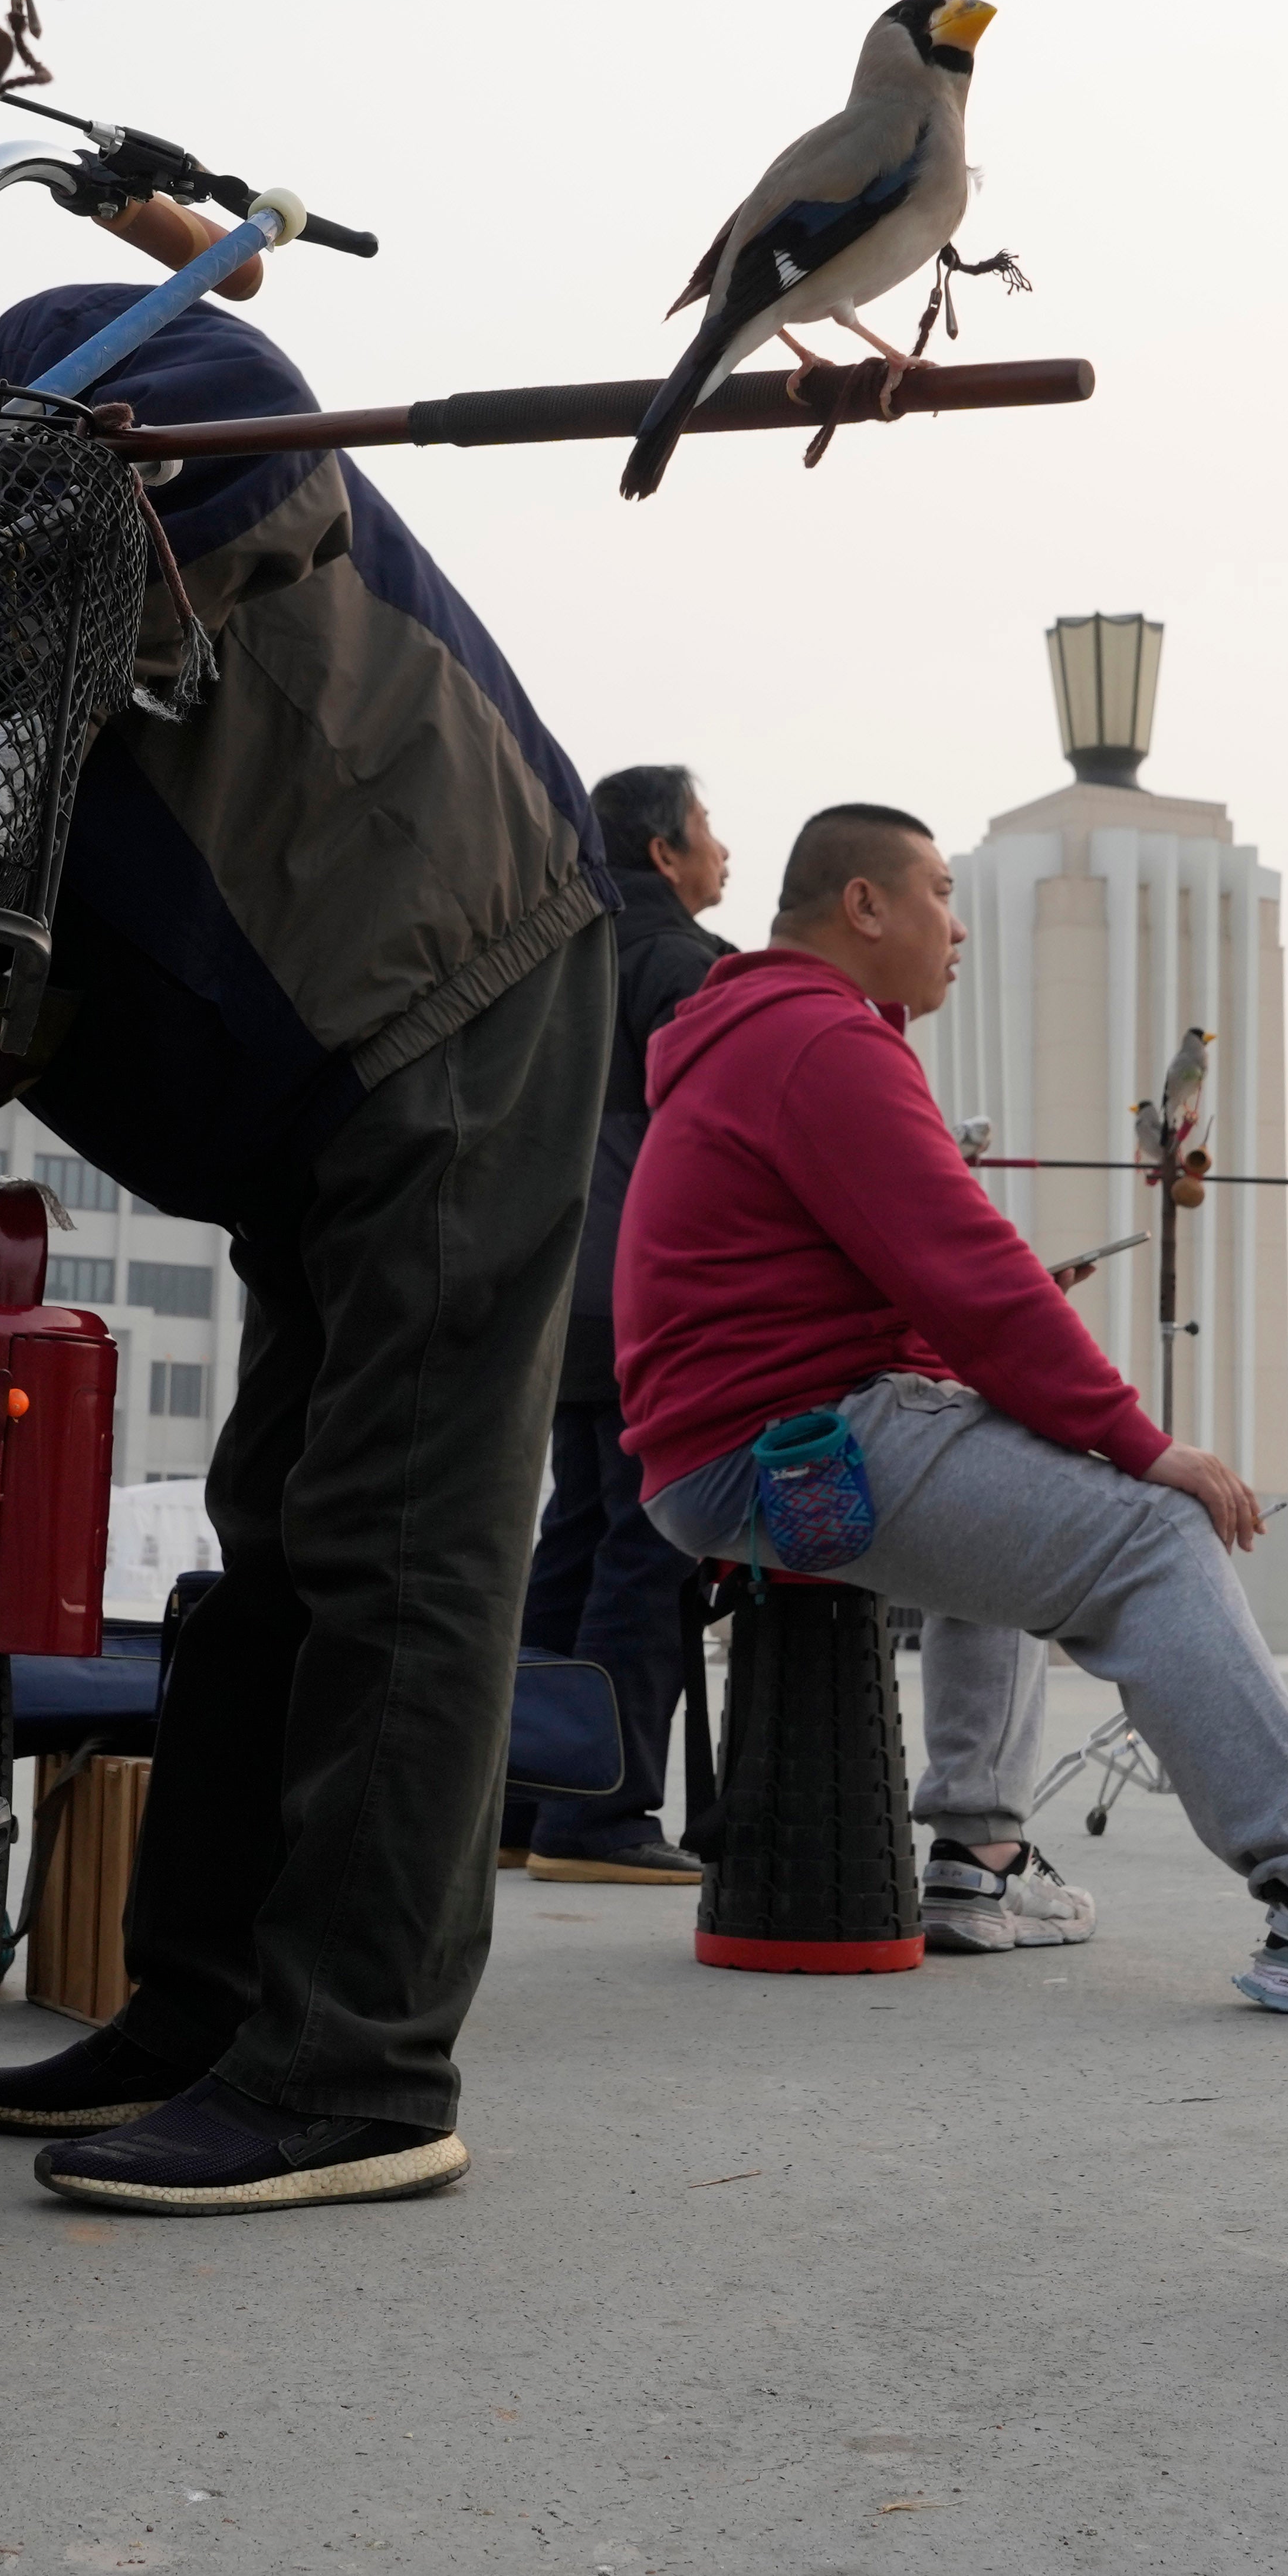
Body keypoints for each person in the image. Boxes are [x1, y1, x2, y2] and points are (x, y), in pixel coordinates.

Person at [0, 278, 619, 2217]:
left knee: (404, 1548)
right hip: (314, 1068)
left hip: (455, 966)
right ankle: (209, 2010)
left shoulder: (60, 359)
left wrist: (13, 594)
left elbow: (262, 440)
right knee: (272, 1543)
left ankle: (362, 2076)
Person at [616, 801, 1288, 2016]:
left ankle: (978, 1853)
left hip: (746, 1441)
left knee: (1032, 1457)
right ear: (865, 906)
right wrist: (1147, 1446)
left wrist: (1044, 1404)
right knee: (1146, 1533)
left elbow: (887, 1289)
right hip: (778, 1453)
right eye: (942, 895)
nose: (955, 929)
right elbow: (971, 1271)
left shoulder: (766, 1033)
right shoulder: (821, 1042)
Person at [502, 762, 734, 1882]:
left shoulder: (559, 947)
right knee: (652, 1549)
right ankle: (597, 1817)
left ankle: (514, 1803)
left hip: (557, 1290)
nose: (721, 849)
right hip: (652, 1297)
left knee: (578, 1536)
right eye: (708, 829)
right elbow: (729, 1141)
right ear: (662, 851)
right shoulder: (689, 968)